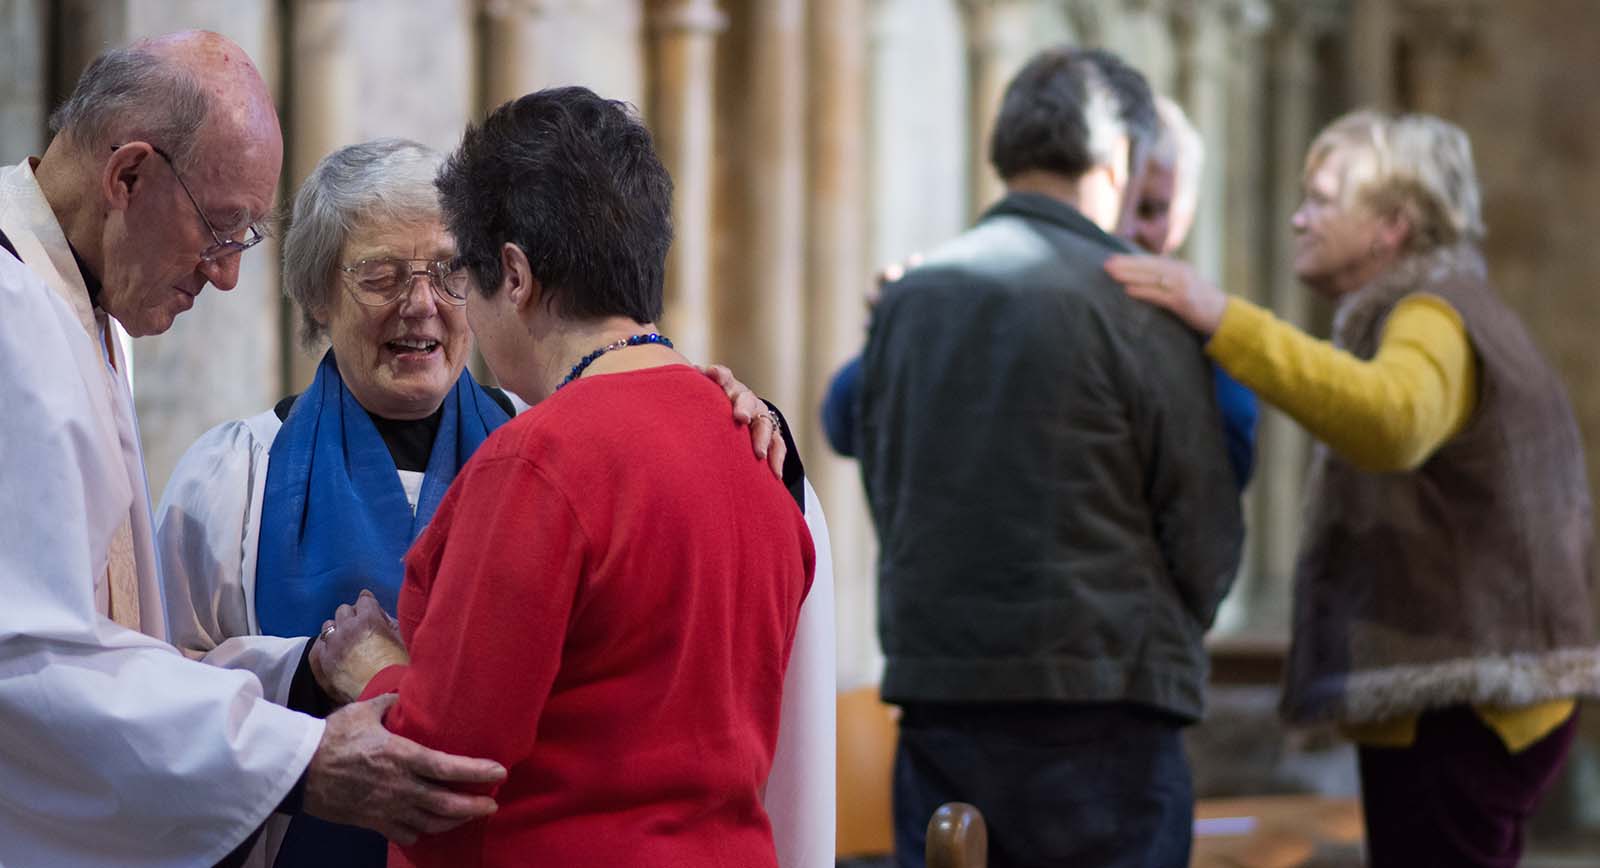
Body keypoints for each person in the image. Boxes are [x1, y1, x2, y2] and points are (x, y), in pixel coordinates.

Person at [155, 135, 832, 868]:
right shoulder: (232, 477)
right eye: (380, 275)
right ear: (318, 293)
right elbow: (160, 690)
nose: (421, 306)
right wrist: (303, 672)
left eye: (449, 272)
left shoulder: (545, 443)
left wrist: (724, 406)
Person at [0, 32, 507, 867]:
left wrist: (301, 675)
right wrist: (300, 759)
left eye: (449, 273)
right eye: (221, 228)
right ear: (127, 177)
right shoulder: (21, 322)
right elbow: (33, 666)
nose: (226, 276)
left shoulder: (75, 314)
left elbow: (124, 652)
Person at [1106, 110, 1600, 868]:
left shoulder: (1434, 315)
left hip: (1463, 707)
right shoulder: (1449, 307)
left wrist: (1223, 319)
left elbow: (1390, 420)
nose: (1299, 218)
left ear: (1391, 226)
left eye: (1324, 198)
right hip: (1467, 699)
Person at [857, 47, 1244, 868]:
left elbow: (887, 486)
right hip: (1106, 719)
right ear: (1119, 162)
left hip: (942, 709)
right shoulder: (1138, 307)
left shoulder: (910, 301)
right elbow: (1205, 529)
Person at [825, 94, 1259, 488]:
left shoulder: (1189, 330)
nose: (1131, 228)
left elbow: (1229, 466)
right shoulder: (983, 291)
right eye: (1129, 203)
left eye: (1153, 210)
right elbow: (845, 421)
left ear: (1186, 214)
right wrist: (899, 329)